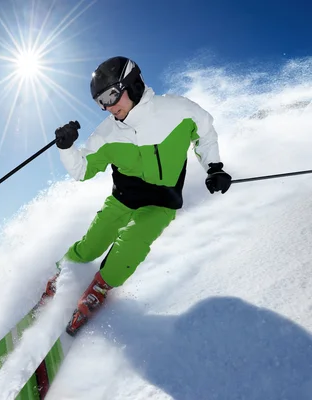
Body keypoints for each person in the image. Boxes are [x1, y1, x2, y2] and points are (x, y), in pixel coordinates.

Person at [46, 56, 232, 336]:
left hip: (161, 202)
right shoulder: (107, 133)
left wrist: (214, 167)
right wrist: (66, 147)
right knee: (92, 244)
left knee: (130, 244)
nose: (108, 107)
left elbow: (204, 132)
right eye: (100, 102)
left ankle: (99, 288)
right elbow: (82, 170)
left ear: (132, 85)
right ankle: (63, 274)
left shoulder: (176, 110)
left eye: (111, 95)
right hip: (123, 199)